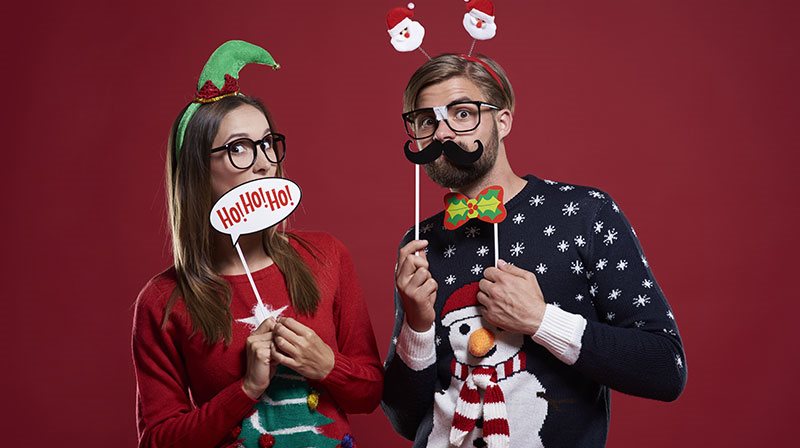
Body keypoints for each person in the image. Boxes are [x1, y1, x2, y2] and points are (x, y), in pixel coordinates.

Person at [382, 53, 686, 447]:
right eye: (427, 120)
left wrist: (541, 320)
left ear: (503, 120)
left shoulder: (584, 215)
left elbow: (664, 368)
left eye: (461, 114)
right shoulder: (418, 243)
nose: (443, 134)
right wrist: (418, 327)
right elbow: (406, 419)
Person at [132, 41, 382, 448]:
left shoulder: (326, 255)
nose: (265, 161)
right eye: (238, 149)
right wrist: (245, 388)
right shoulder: (162, 301)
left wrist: (328, 366)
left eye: (267, 143)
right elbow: (158, 441)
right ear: (198, 172)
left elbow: (371, 392)